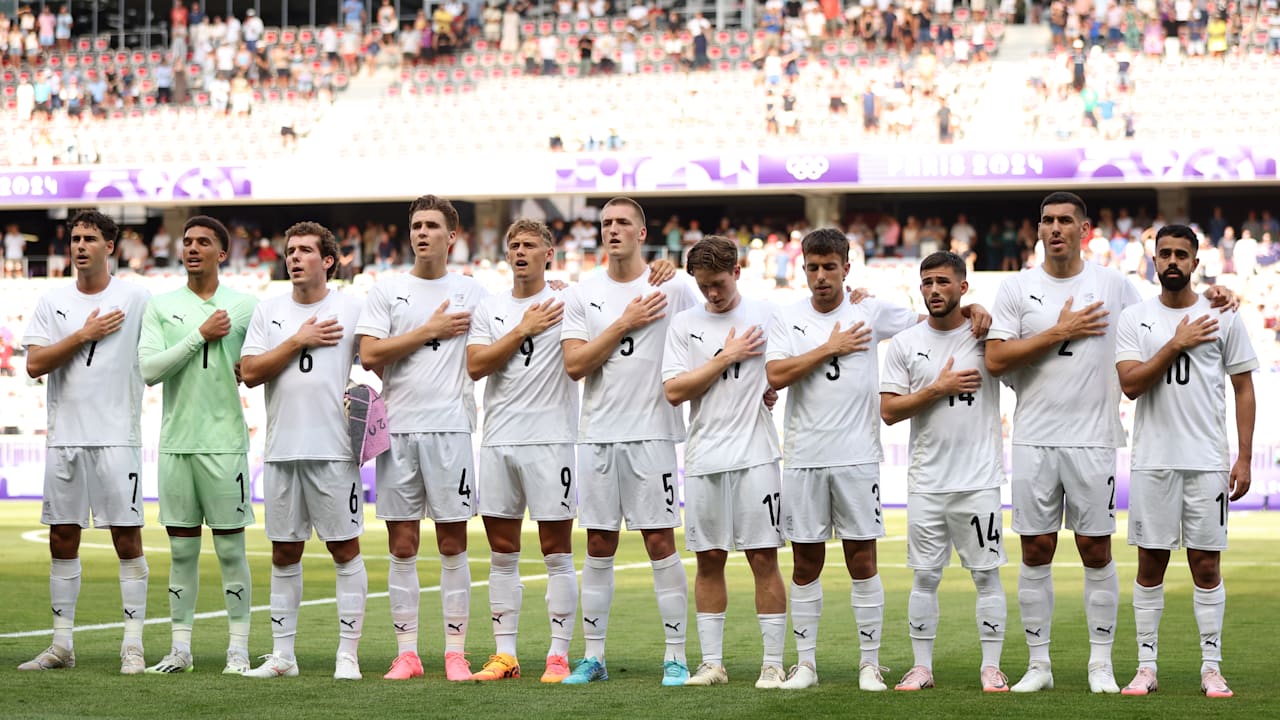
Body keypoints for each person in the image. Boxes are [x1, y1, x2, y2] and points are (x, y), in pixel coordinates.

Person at [985, 192, 1234, 694]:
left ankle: (1101, 664)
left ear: (1084, 229)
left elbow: (1168, 300)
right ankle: (1039, 664)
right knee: (1035, 548)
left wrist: (1218, 295)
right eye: (1047, 221)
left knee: (1095, 549)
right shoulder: (1015, 288)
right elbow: (995, 359)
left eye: (1065, 221)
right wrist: (1060, 330)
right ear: (1038, 229)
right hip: (1033, 437)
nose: (1055, 229)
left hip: (1095, 439)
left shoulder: (1113, 285)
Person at [765, 228, 989, 691]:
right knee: (805, 563)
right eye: (813, 268)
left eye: (831, 267)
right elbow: (776, 374)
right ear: (803, 269)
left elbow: (931, 317)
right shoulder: (787, 317)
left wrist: (972, 308)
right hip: (804, 457)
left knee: (861, 560)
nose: (822, 276)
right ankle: (805, 665)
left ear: (848, 268)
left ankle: (870, 664)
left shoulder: (871, 310)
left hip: (858, 458)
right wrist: (830, 346)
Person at [559, 196, 697, 685]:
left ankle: (675, 657)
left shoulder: (675, 286)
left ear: (642, 233)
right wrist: (624, 323)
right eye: (605, 223)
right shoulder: (582, 293)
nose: (612, 229)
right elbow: (575, 365)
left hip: (653, 435)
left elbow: (711, 328)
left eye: (622, 223)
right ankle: (593, 658)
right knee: (598, 543)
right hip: (597, 435)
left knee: (660, 541)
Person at [1114, 224, 1256, 699]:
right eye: (1164, 254)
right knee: (1149, 564)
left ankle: (1211, 668)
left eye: (1181, 254)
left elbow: (1242, 387)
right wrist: (1176, 341)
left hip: (1207, 461)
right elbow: (1130, 384)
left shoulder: (1224, 315)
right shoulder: (1135, 318)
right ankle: (1146, 667)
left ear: (1196, 261)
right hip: (1154, 461)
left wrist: (1245, 456)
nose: (1172, 261)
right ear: (1153, 261)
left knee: (1206, 566)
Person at [356, 195, 486, 682]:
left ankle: (456, 651)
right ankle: (407, 653)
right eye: (416, 225)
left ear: (452, 236)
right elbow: (370, 354)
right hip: (399, 429)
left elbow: (522, 305)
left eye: (432, 225)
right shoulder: (387, 291)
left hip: (452, 426)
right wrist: (428, 330)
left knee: (453, 542)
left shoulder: (473, 292)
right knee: (402, 542)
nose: (422, 232)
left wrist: (556, 286)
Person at [18, 211, 151, 674]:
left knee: (127, 537)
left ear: (110, 247)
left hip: (118, 438)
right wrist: (83, 334)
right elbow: (35, 364)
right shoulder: (52, 298)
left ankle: (132, 646)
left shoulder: (136, 297)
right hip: (65, 439)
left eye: (90, 238)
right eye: (75, 238)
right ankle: (61, 646)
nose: (80, 245)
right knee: (62, 536)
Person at [239, 222, 368, 680]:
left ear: (327, 260)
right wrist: (298, 340)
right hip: (281, 450)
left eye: (305, 251)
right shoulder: (268, 310)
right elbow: (249, 371)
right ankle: (283, 657)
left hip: (334, 451)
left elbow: (380, 351)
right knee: (284, 552)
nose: (294, 258)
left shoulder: (353, 308)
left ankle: (347, 655)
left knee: (345, 549)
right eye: (289, 251)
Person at [879, 251, 1010, 693]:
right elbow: (890, 411)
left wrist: (983, 317)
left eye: (942, 282)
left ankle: (991, 666)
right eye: (927, 282)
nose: (934, 290)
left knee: (986, 574)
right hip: (927, 482)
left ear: (962, 288)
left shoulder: (987, 336)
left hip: (979, 480)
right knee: (925, 576)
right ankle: (921, 667)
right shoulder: (904, 343)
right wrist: (939, 387)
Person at [661, 236, 786, 688]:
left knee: (762, 557)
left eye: (717, 284)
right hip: (704, 456)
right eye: (703, 286)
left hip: (756, 456)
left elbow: (785, 370)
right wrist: (727, 356)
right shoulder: (684, 324)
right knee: (709, 558)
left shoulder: (768, 313)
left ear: (737, 271)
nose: (711, 294)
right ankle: (712, 663)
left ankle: (773, 663)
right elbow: (675, 390)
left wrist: (770, 389)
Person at [137, 216, 257, 675]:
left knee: (231, 551)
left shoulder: (245, 306)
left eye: (203, 242)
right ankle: (180, 649)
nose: (192, 248)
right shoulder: (161, 305)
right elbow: (150, 371)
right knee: (182, 552)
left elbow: (255, 367)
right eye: (187, 241)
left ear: (221, 253)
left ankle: (239, 649)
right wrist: (199, 336)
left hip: (225, 444)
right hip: (176, 445)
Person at [464, 219, 579, 684]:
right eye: (514, 245)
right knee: (502, 552)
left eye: (530, 244)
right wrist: (522, 329)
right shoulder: (491, 307)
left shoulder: (568, 301)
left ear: (549, 252)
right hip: (498, 440)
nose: (520, 251)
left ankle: (558, 655)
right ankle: (505, 654)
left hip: (551, 440)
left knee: (557, 551)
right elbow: (475, 366)